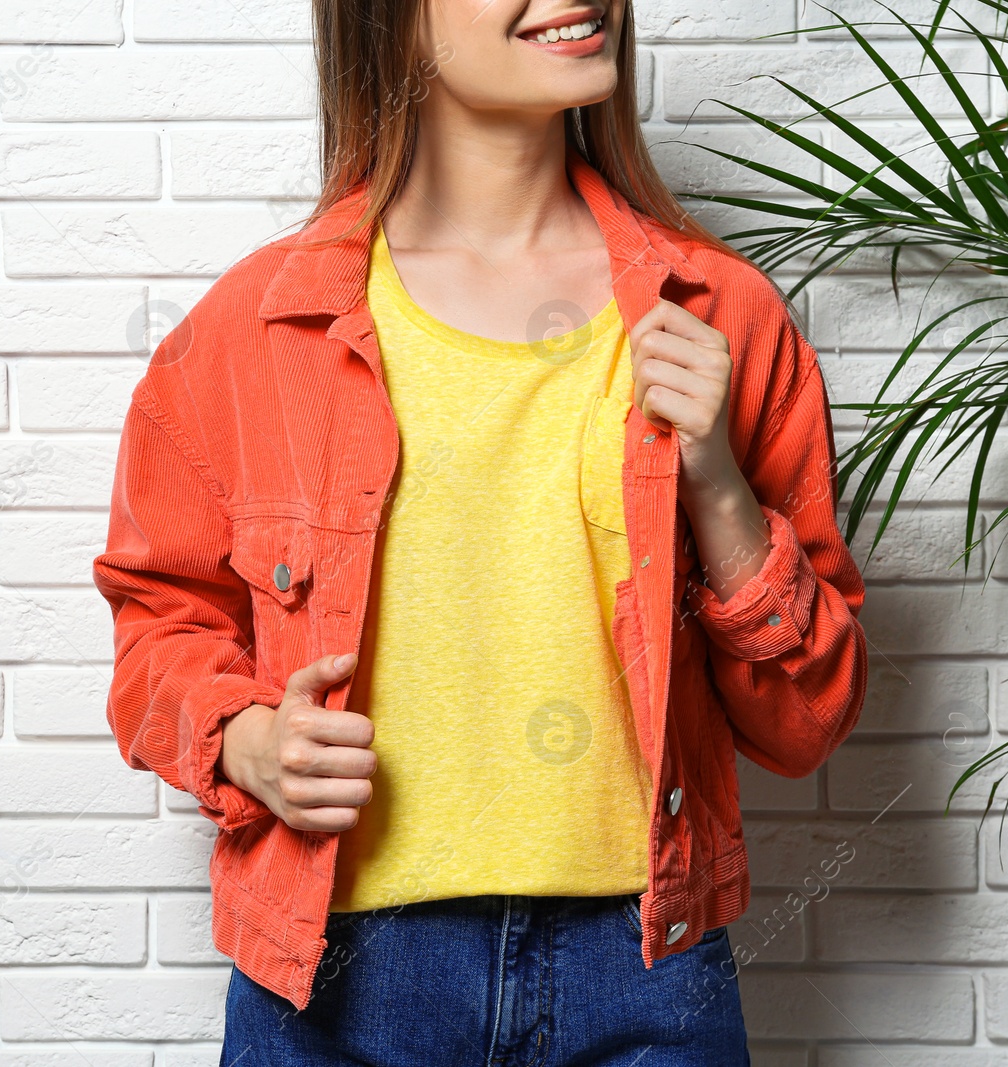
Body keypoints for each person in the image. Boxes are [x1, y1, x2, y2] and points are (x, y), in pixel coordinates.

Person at [93, 1, 868, 1062]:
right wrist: (245, 740)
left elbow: (805, 722)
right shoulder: (253, 332)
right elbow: (157, 626)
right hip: (337, 974)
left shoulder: (722, 313)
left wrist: (721, 492)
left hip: (645, 964)